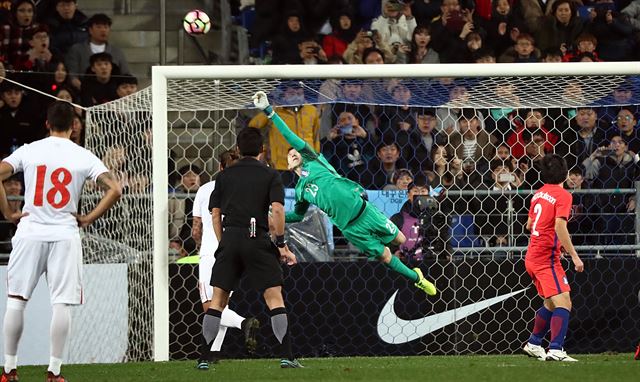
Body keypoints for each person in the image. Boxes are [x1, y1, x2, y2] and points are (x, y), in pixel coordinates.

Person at [252, 90, 436, 296]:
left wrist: (270, 112)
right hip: (350, 228)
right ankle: (417, 279)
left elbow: (289, 136)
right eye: (289, 156)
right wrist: (274, 216)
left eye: (295, 151)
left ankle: (395, 255)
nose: (293, 153)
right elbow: (297, 215)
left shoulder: (315, 160)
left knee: (401, 241)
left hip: (365, 211)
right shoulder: (300, 190)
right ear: (286, 165)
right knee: (385, 256)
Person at [0, 101, 122, 381]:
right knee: (61, 304)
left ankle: (9, 370)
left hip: (30, 231)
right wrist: (89, 217)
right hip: (65, 234)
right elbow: (115, 189)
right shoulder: (84, 156)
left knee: (16, 301)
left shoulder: (30, 150)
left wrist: (8, 212)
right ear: (74, 127)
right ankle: (54, 372)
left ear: (47, 124)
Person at [200, 128, 302, 369]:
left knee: (217, 301)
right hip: (257, 237)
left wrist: (224, 240)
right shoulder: (269, 175)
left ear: (237, 149)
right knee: (274, 298)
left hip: (231, 237)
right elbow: (277, 211)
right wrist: (281, 245)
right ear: (262, 150)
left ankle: (204, 358)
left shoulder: (224, 177)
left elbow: (215, 214)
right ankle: (286, 356)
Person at [191, 149, 259, 367]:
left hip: (212, 253)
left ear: (220, 167)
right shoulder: (248, 191)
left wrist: (198, 246)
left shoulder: (206, 189)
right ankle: (214, 353)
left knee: (210, 307)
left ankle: (243, 323)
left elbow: (196, 228)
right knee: (221, 304)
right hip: (236, 252)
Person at [522, 154, 584, 362]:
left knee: (551, 302)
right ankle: (556, 349)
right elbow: (559, 225)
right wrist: (575, 256)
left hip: (532, 255)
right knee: (564, 302)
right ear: (565, 173)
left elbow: (530, 225)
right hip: (545, 258)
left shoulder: (538, 194)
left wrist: (556, 242)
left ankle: (534, 343)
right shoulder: (563, 195)